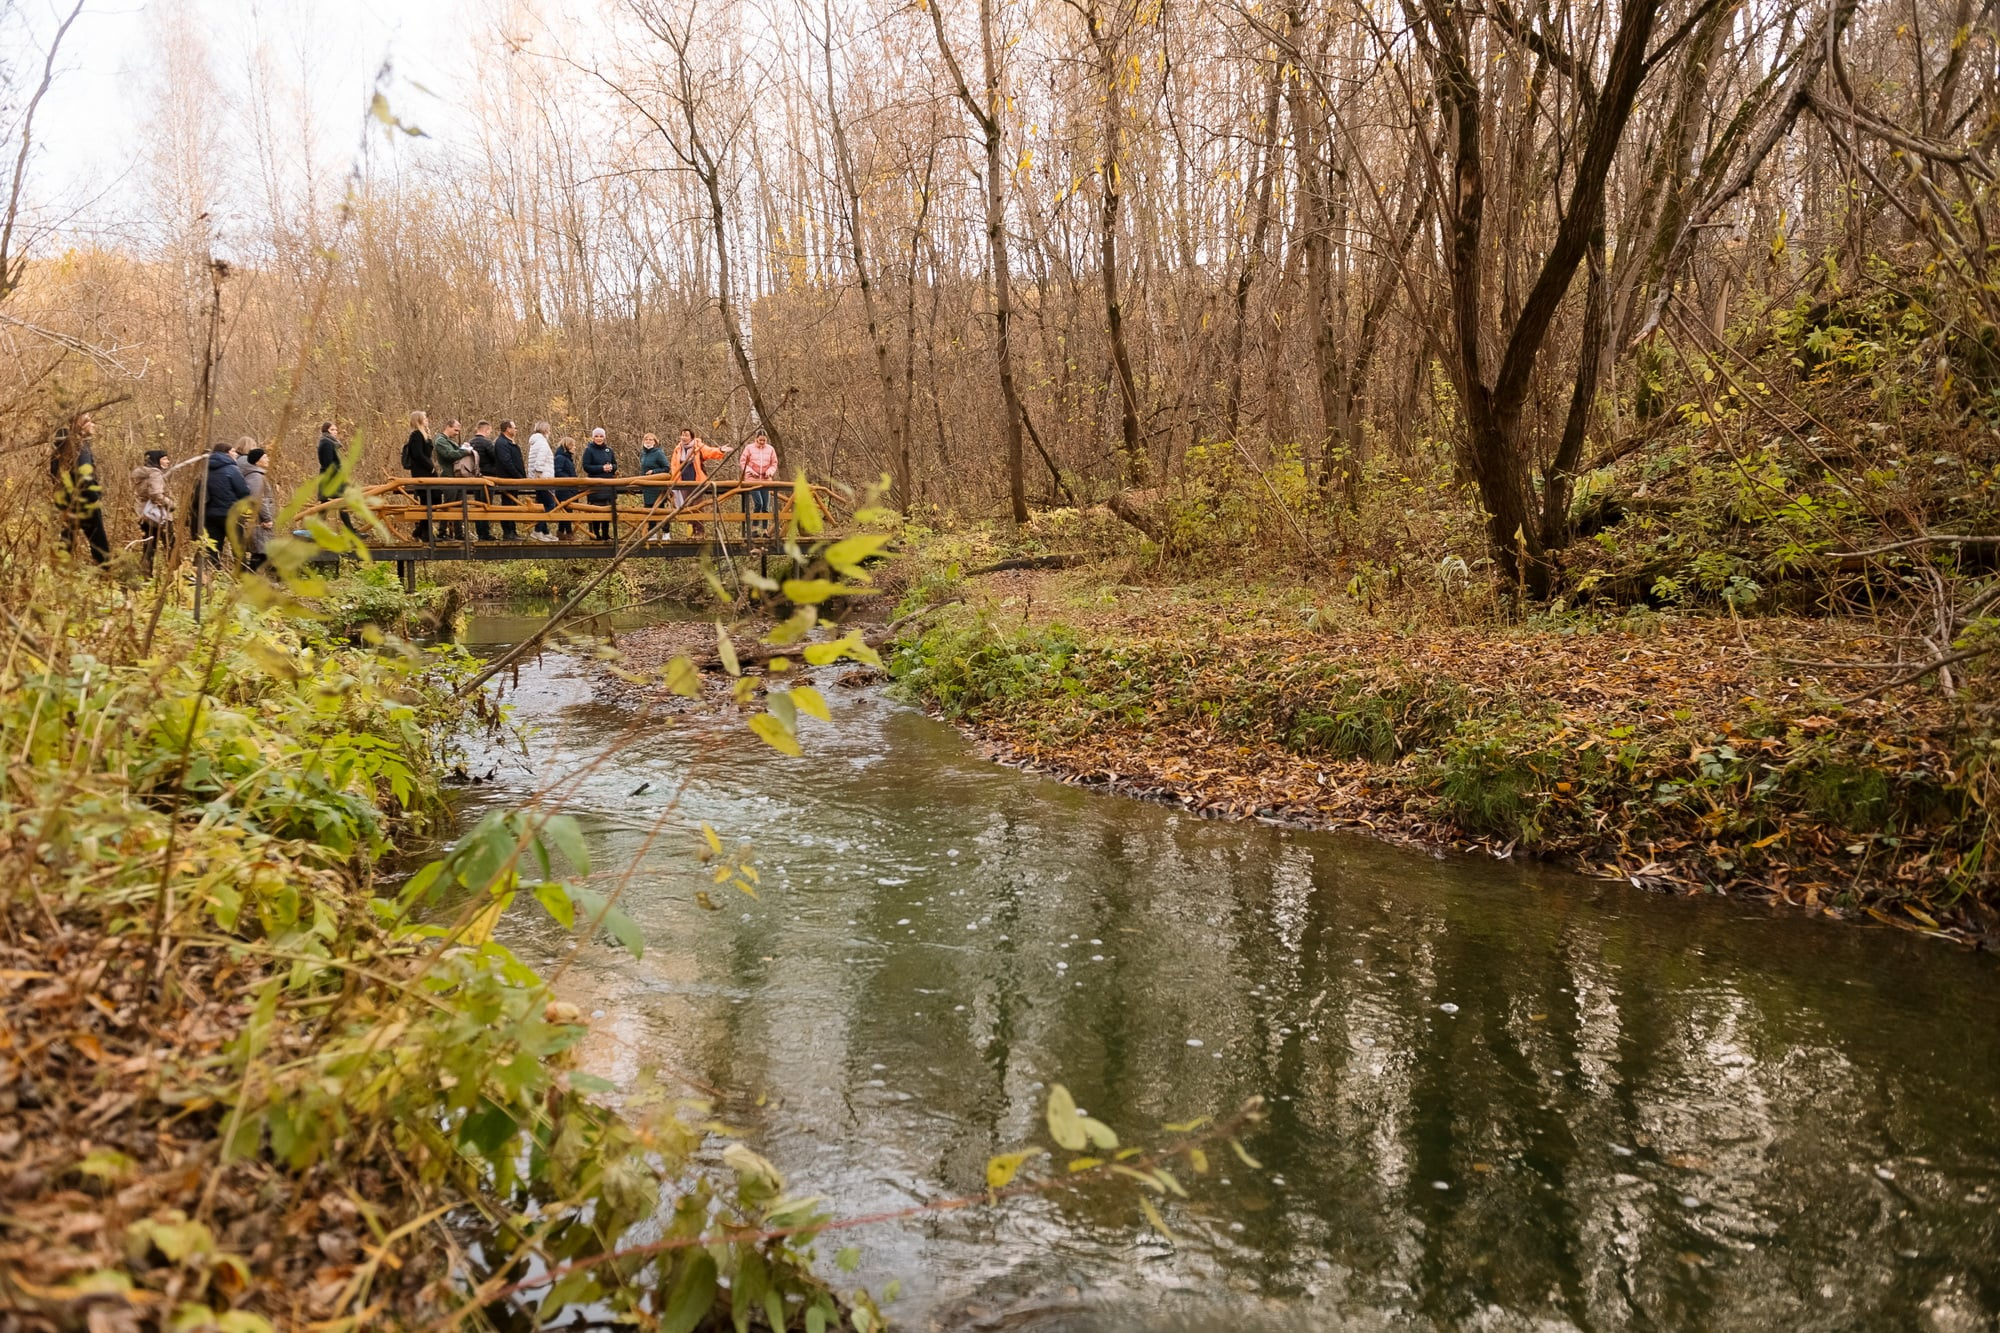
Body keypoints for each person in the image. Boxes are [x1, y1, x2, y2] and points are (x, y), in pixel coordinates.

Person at [50, 413, 111, 565]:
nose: (93, 424)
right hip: (85, 501)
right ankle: (108, 579)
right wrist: (94, 497)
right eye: (89, 421)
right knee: (99, 544)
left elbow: (53, 473)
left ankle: (58, 576)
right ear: (79, 423)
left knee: (67, 539)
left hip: (68, 501)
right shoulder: (80, 446)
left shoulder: (61, 447)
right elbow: (85, 477)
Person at [131, 449, 195, 575]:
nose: (167, 461)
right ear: (156, 460)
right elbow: (155, 494)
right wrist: (170, 504)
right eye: (164, 458)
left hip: (144, 513)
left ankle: (145, 574)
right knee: (171, 545)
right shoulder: (155, 473)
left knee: (149, 546)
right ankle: (178, 574)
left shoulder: (142, 473)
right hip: (159, 514)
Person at [197, 438, 251, 567]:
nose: (235, 454)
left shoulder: (204, 469)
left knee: (213, 547)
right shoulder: (232, 469)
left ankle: (212, 575)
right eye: (233, 451)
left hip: (209, 514)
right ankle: (242, 574)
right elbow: (243, 492)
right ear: (227, 453)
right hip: (231, 513)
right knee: (238, 546)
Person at [670, 427, 726, 538]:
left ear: (691, 437)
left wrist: (720, 450)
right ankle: (690, 532)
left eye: (686, 435)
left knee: (698, 506)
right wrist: (673, 479)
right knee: (686, 507)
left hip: (697, 481)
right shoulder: (678, 449)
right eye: (682, 435)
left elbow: (710, 452)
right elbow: (674, 465)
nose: (684, 437)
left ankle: (699, 531)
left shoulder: (698, 447)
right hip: (682, 482)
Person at [432, 417, 474, 540]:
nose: (457, 433)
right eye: (455, 430)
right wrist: (465, 451)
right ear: (448, 427)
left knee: (459, 506)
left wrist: (462, 448)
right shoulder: (440, 441)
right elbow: (450, 455)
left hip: (456, 477)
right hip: (448, 477)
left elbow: (455, 452)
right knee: (449, 505)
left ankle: (459, 533)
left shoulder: (448, 441)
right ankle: (442, 531)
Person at [403, 410, 437, 543]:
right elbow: (417, 454)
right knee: (427, 499)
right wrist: (431, 467)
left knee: (431, 499)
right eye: (424, 417)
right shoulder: (416, 435)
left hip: (427, 469)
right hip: (422, 471)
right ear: (418, 420)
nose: (427, 419)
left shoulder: (424, 434)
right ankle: (424, 532)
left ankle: (421, 531)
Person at [315, 420, 355, 532]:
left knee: (326, 505)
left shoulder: (328, 442)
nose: (335, 432)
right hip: (331, 480)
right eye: (332, 429)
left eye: (336, 429)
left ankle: (317, 530)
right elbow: (328, 464)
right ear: (326, 431)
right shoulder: (326, 443)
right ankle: (351, 530)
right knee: (338, 503)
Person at [491, 420, 526, 540]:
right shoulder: (501, 443)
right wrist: (517, 475)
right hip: (507, 479)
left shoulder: (508, 442)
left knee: (512, 504)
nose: (516, 430)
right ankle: (508, 532)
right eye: (514, 428)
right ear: (508, 429)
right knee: (507, 504)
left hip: (513, 479)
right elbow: (507, 462)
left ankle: (513, 530)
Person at [241, 446, 275, 569]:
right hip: (259, 522)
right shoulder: (256, 477)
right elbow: (257, 499)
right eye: (265, 457)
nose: (268, 459)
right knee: (261, 552)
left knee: (262, 551)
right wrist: (267, 519)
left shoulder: (257, 475)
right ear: (257, 461)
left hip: (259, 521)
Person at [581, 428, 617, 541]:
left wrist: (611, 467)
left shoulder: (609, 450)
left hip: (608, 485)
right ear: (593, 437)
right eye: (597, 436)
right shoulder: (589, 450)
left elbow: (615, 464)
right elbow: (586, 466)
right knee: (596, 510)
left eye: (601, 436)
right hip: (595, 485)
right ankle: (596, 534)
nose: (599, 438)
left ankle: (606, 534)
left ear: (604, 437)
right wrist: (601, 468)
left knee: (607, 510)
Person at [741, 429, 779, 537]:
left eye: (764, 440)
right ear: (756, 439)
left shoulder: (770, 449)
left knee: (766, 506)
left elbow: (774, 463)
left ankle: (765, 530)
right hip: (752, 480)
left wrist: (770, 472)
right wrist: (751, 472)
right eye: (760, 440)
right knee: (759, 503)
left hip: (766, 480)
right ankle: (754, 528)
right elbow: (743, 462)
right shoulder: (749, 448)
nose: (762, 442)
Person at [637, 431, 672, 539]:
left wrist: (654, 472)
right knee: (649, 509)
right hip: (647, 486)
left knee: (659, 509)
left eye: (650, 439)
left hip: (657, 486)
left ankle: (666, 532)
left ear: (655, 442)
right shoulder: (643, 453)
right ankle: (652, 532)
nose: (648, 441)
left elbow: (666, 468)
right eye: (646, 439)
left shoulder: (658, 453)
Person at [467, 421, 497, 541]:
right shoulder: (487, 443)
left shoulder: (470, 443)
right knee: (485, 505)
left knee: (477, 504)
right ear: (486, 430)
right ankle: (485, 533)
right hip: (487, 478)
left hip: (474, 478)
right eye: (489, 431)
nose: (489, 433)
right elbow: (495, 458)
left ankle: (480, 533)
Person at [527, 420, 556, 541]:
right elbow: (540, 461)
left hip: (538, 478)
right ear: (545, 430)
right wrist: (539, 475)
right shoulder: (543, 443)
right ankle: (538, 530)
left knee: (543, 504)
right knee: (550, 504)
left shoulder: (535, 443)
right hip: (543, 478)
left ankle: (545, 531)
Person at [551, 435, 577, 539]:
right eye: (573, 445)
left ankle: (561, 532)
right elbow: (557, 471)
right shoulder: (560, 458)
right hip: (564, 489)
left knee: (565, 510)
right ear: (567, 446)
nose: (575, 447)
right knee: (567, 510)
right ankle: (569, 532)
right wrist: (570, 479)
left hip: (568, 489)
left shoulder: (567, 458)